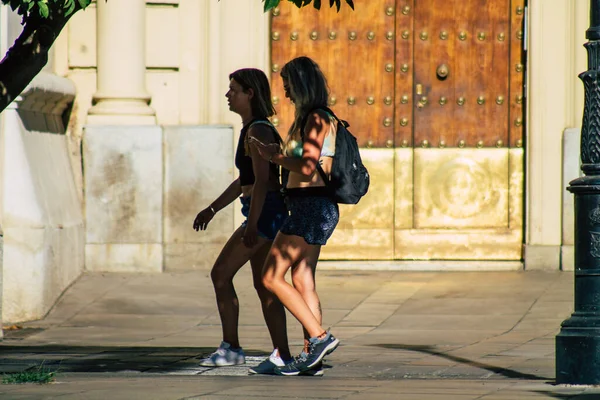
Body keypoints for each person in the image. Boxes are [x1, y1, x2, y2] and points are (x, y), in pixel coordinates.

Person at [193, 68, 292, 375]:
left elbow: (263, 181)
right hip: (263, 213)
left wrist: (252, 225)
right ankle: (283, 355)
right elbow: (244, 181)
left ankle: (231, 347)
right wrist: (212, 209)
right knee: (265, 286)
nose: (228, 95)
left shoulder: (258, 131)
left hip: (264, 215)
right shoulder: (252, 128)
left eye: (233, 90)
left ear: (250, 94)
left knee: (221, 273)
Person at [249, 56, 341, 376]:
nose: (286, 93)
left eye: (289, 86)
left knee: (270, 276)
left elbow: (306, 166)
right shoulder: (316, 118)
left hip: (310, 207)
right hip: (315, 205)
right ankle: (310, 356)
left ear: (301, 85)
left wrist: (274, 157)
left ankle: (318, 337)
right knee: (302, 279)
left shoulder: (316, 119)